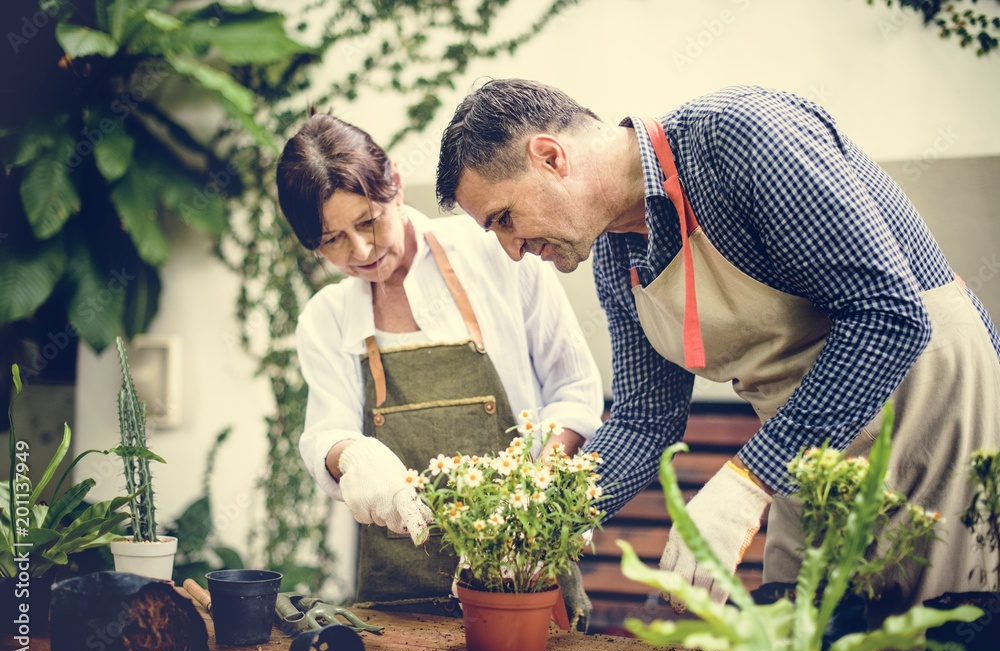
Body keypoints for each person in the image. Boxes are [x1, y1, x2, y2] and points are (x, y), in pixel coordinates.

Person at [434, 79, 1000, 623]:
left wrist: (747, 481)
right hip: (808, 448)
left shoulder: (741, 138)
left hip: (932, 409)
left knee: (936, 638)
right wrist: (533, 521)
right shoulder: (615, 256)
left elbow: (888, 315)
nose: (511, 250)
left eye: (505, 219)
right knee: (800, 636)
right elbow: (642, 419)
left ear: (551, 156)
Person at [275, 113, 604, 622]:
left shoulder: (496, 247)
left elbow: (575, 389)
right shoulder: (326, 318)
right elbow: (326, 433)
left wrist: (531, 500)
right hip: (399, 599)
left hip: (522, 574)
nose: (361, 251)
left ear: (397, 186)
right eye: (332, 240)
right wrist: (354, 456)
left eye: (368, 221)